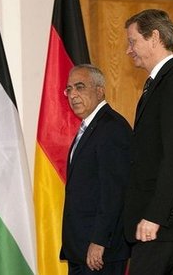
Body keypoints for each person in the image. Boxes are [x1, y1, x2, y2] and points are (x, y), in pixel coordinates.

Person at [124, 9, 173, 275]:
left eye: (133, 41)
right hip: (163, 227)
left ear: (154, 37)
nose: (129, 50)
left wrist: (155, 215)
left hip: (162, 228)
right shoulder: (159, 83)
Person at [60, 64, 132, 275]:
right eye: (69, 89)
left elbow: (114, 193)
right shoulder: (91, 127)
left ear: (99, 90)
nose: (73, 95)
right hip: (81, 249)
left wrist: (99, 241)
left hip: (99, 252)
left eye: (80, 87)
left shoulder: (112, 128)